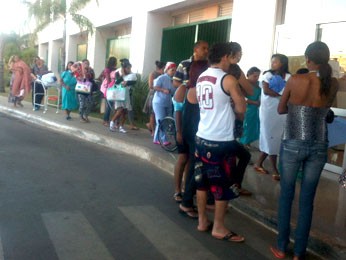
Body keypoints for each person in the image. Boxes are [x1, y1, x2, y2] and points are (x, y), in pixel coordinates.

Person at [270, 41, 338, 260]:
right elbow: (328, 111)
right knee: (307, 200)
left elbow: (281, 109)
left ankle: (281, 247)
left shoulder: (296, 79)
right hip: (319, 145)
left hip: (292, 142)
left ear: (308, 59)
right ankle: (299, 252)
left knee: (286, 196)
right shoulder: (332, 83)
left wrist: (296, 108)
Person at [195, 42, 246, 242]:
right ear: (225, 57)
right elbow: (241, 108)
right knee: (222, 185)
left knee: (202, 182)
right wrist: (233, 105)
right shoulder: (228, 79)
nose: (235, 60)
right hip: (221, 140)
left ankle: (202, 221)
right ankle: (219, 227)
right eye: (234, 57)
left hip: (202, 136)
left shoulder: (201, 76)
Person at [172, 41, 209, 204]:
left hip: (195, 123)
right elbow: (177, 110)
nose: (206, 51)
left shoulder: (207, 66)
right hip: (184, 123)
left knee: (191, 161)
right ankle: (178, 190)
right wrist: (179, 131)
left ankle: (188, 190)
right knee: (183, 159)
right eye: (204, 48)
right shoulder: (184, 66)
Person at [254, 54, 291, 181]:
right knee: (270, 137)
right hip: (269, 112)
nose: (273, 63)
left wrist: (284, 98)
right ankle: (275, 169)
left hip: (282, 112)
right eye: (272, 61)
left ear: (283, 63)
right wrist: (282, 96)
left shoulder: (289, 77)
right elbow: (266, 90)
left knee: (275, 138)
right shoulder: (267, 75)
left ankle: (258, 163)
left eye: (276, 62)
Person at [109, 58, 137, 133]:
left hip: (127, 95)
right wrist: (123, 76)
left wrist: (126, 81)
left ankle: (121, 126)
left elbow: (132, 82)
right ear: (123, 68)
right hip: (119, 94)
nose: (129, 69)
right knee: (120, 109)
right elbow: (117, 82)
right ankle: (112, 122)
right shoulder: (118, 73)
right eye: (127, 68)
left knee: (125, 111)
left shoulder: (132, 75)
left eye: (130, 67)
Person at [152, 61, 177, 144]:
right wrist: (163, 90)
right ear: (167, 70)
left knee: (166, 121)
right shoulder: (162, 78)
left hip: (168, 103)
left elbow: (174, 91)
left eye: (175, 70)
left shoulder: (174, 80)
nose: (174, 72)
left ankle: (156, 138)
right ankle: (163, 139)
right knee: (161, 120)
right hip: (159, 102)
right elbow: (154, 87)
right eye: (172, 70)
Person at [239, 66, 261, 147]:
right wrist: (254, 102)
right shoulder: (245, 84)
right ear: (248, 75)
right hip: (247, 108)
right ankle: (242, 144)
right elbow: (242, 97)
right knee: (246, 127)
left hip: (255, 110)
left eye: (258, 76)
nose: (257, 78)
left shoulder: (258, 84)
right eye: (255, 76)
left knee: (253, 127)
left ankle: (248, 142)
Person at [143, 60, 165, 136]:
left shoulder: (164, 75)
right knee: (153, 113)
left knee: (156, 114)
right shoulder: (153, 74)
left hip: (161, 96)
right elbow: (150, 86)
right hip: (153, 95)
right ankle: (153, 130)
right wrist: (160, 88)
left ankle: (150, 125)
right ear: (162, 68)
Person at [100, 56, 118, 126]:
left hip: (114, 88)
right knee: (109, 105)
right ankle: (105, 120)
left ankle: (111, 120)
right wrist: (111, 86)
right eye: (115, 62)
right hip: (109, 88)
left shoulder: (116, 70)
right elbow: (108, 80)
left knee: (113, 105)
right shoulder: (107, 70)